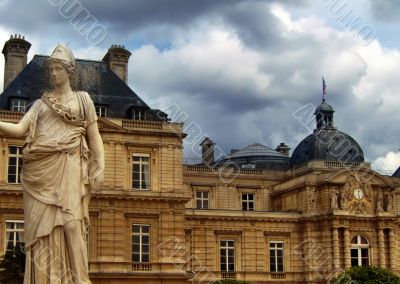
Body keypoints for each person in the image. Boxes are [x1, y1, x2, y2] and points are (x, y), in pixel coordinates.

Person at [0, 45, 104, 283]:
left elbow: (94, 135)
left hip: (70, 163)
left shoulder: (83, 99)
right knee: (38, 231)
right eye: (52, 69)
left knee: (71, 224)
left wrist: (100, 166)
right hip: (39, 172)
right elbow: (18, 129)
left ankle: (80, 280)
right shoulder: (40, 104)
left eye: (58, 68)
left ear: (69, 71)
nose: (54, 73)